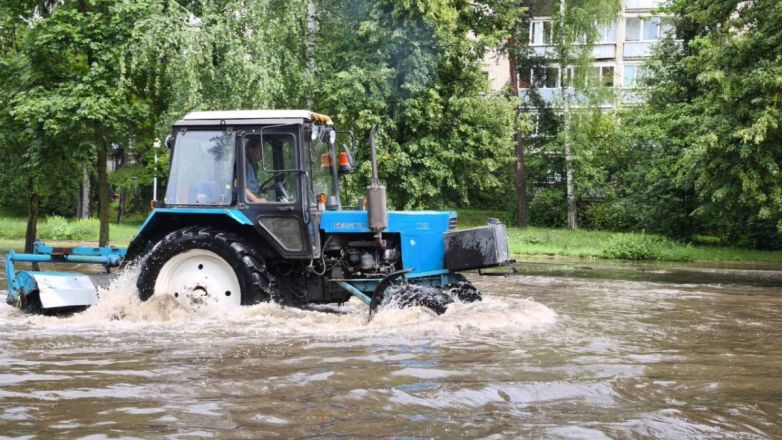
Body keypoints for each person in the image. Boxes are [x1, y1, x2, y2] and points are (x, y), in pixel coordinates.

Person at [245, 138, 267, 203]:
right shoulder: (244, 163)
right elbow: (238, 186)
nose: (262, 153)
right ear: (250, 150)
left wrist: (260, 189)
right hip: (247, 204)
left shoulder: (255, 165)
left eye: (263, 150)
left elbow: (250, 186)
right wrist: (255, 199)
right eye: (260, 150)